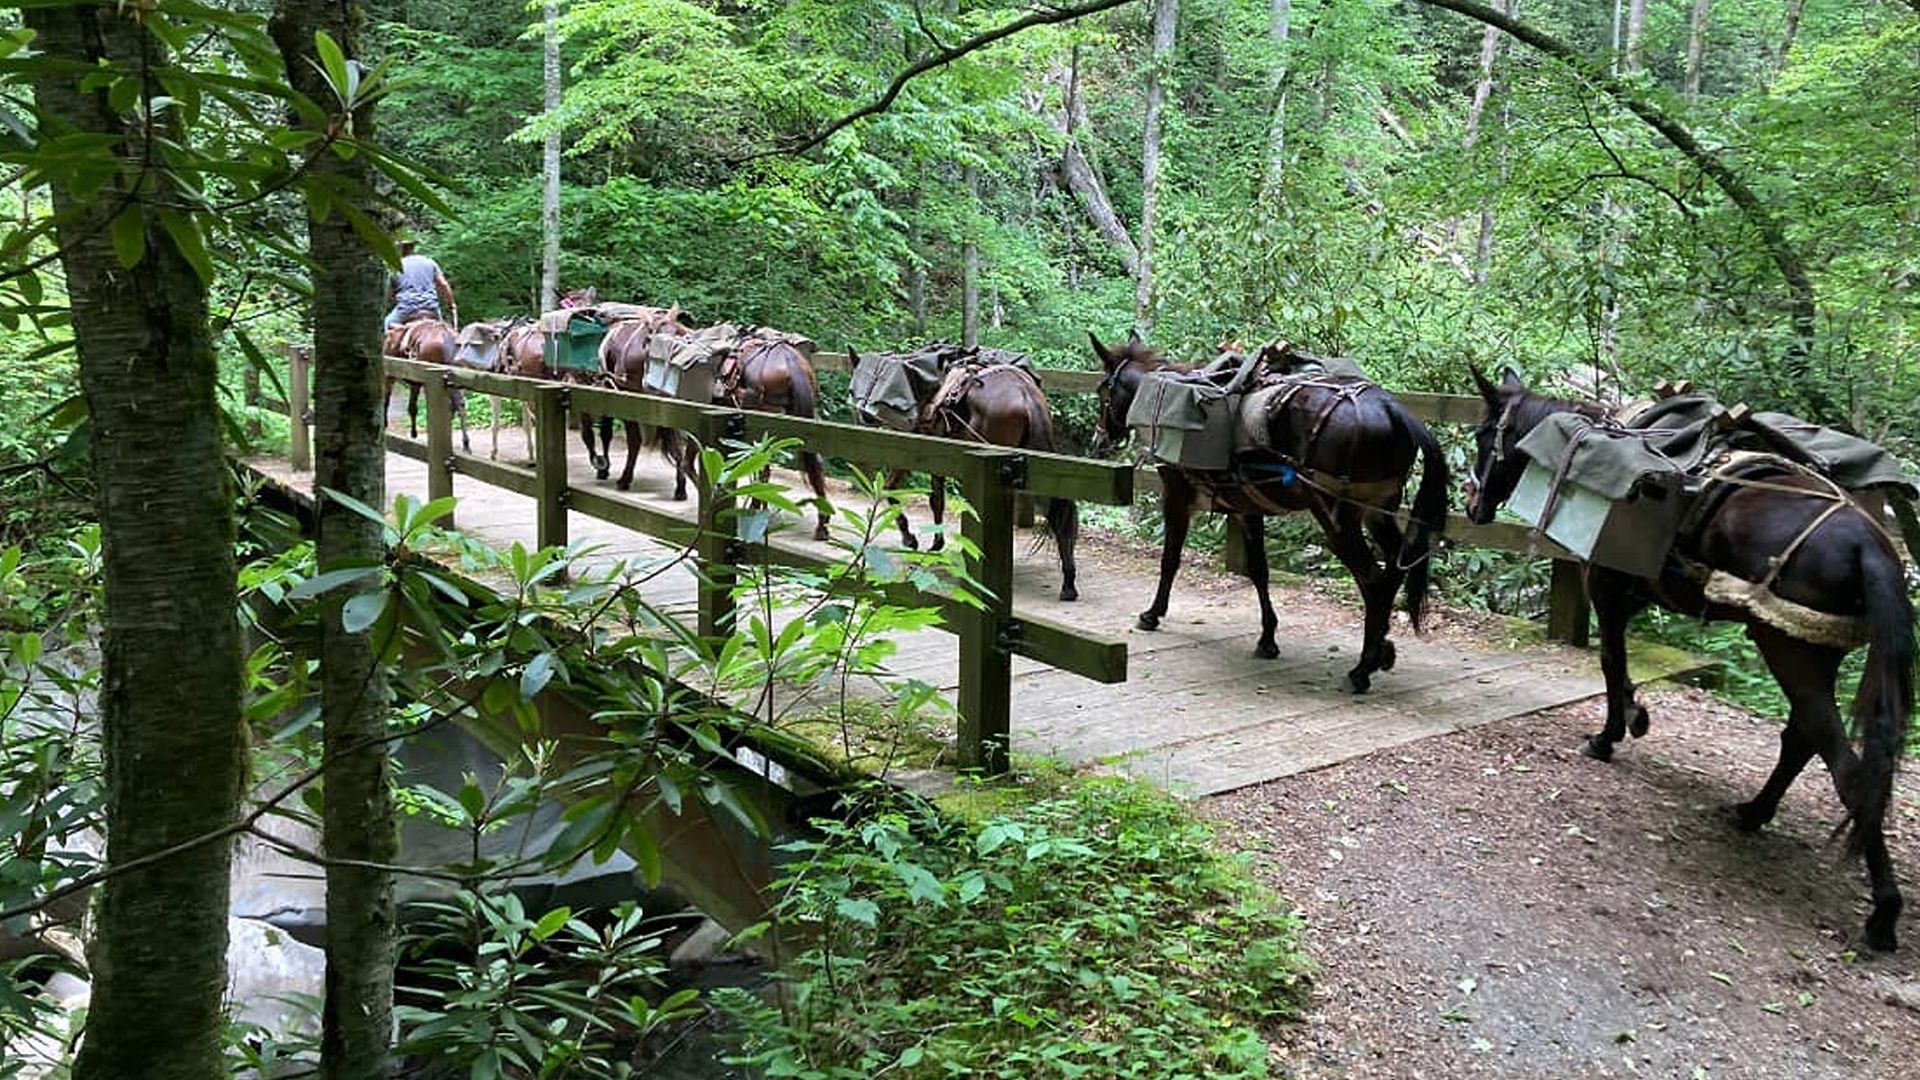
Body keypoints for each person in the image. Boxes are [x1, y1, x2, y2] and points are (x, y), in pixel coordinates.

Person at [384, 239, 459, 329]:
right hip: (431, 307)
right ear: (413, 248)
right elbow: (443, 284)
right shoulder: (430, 262)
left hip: (406, 308)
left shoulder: (395, 266)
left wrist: (385, 304)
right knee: (446, 329)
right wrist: (451, 304)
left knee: (386, 323)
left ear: (399, 249)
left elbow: (388, 294)